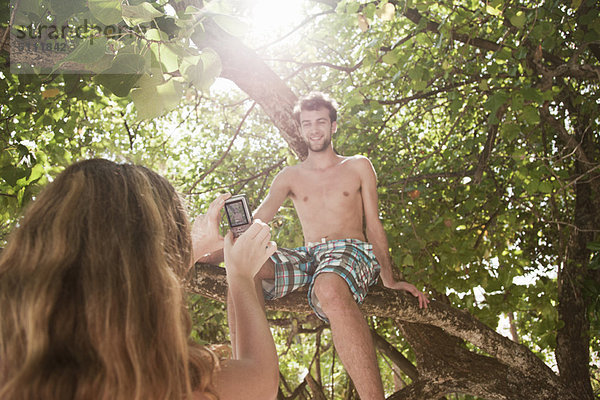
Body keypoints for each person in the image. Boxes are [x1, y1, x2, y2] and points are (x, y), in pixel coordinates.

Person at [0, 159, 279, 400]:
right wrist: (241, 275)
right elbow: (260, 382)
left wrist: (190, 248)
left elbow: (119, 282)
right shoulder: (152, 377)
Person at [229, 92, 429, 399]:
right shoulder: (289, 176)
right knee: (245, 267)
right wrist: (215, 249)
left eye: (321, 121)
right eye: (307, 123)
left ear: (333, 126)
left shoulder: (358, 165)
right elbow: (255, 225)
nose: (314, 129)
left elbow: (374, 225)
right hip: (310, 256)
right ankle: (246, 380)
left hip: (351, 252)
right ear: (300, 129)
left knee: (329, 288)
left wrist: (389, 278)